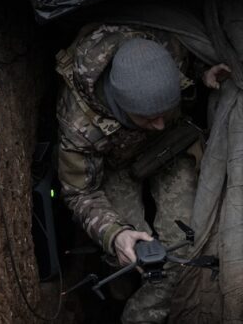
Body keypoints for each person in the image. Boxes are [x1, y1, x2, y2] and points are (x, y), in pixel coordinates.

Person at [56, 23, 230, 323]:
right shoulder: (79, 125)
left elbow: (191, 57)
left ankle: (142, 315)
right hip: (112, 166)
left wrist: (203, 73)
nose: (160, 123)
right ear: (119, 106)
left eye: (165, 112)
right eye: (150, 118)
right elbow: (79, 191)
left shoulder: (170, 50)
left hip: (170, 150)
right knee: (128, 251)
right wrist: (115, 235)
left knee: (184, 240)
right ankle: (118, 288)